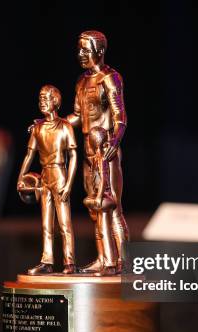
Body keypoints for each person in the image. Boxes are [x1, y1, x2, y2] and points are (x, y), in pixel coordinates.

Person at [67, 30, 129, 273]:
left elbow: (120, 117)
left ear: (100, 51)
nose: (81, 54)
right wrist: (55, 123)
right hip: (87, 151)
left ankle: (123, 261)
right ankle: (104, 258)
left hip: (106, 150)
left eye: (86, 49)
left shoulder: (111, 78)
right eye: (79, 49)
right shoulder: (82, 82)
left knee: (112, 206)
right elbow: (77, 116)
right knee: (95, 209)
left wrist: (113, 144)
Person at [17, 85, 78, 275]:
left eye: (46, 98)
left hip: (60, 176)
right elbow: (29, 154)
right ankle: (47, 261)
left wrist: (68, 184)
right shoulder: (37, 128)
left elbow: (74, 156)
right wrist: (20, 177)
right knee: (46, 224)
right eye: (40, 98)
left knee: (64, 223)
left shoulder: (65, 127)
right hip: (44, 177)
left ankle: (69, 262)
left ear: (55, 102)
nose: (42, 101)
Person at [83, 127, 118, 275]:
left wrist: (98, 197)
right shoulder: (96, 158)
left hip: (104, 197)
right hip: (99, 196)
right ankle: (104, 260)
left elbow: (104, 179)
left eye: (91, 137)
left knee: (104, 231)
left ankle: (110, 264)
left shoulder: (102, 159)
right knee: (99, 231)